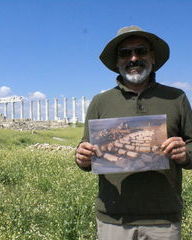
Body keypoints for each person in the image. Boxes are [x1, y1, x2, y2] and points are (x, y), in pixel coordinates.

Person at [75, 25, 192, 240]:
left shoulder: (177, 98)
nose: (134, 58)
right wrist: (81, 157)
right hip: (113, 218)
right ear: (118, 61)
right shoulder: (100, 102)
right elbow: (86, 152)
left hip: (163, 219)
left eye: (141, 51)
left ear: (153, 57)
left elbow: (191, 145)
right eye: (125, 53)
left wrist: (185, 154)